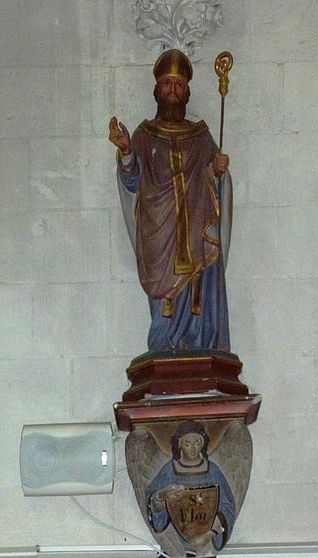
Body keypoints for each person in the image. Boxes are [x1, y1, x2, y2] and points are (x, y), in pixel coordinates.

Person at [109, 49, 233, 352]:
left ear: (187, 92)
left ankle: (201, 346)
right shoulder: (144, 135)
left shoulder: (201, 136)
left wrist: (217, 173)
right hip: (160, 239)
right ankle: (166, 348)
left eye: (178, 86)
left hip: (196, 238)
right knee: (163, 307)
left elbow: (217, 187)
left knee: (199, 295)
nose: (172, 92)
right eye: (166, 85)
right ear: (156, 90)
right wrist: (126, 152)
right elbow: (132, 182)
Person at [145, 421, 236, 554]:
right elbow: (153, 504)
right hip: (178, 542)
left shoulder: (212, 471)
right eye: (187, 443)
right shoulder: (170, 471)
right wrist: (161, 496)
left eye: (197, 443)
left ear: (203, 443)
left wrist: (210, 533)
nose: (192, 449)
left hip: (206, 541)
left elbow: (227, 507)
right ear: (179, 444)